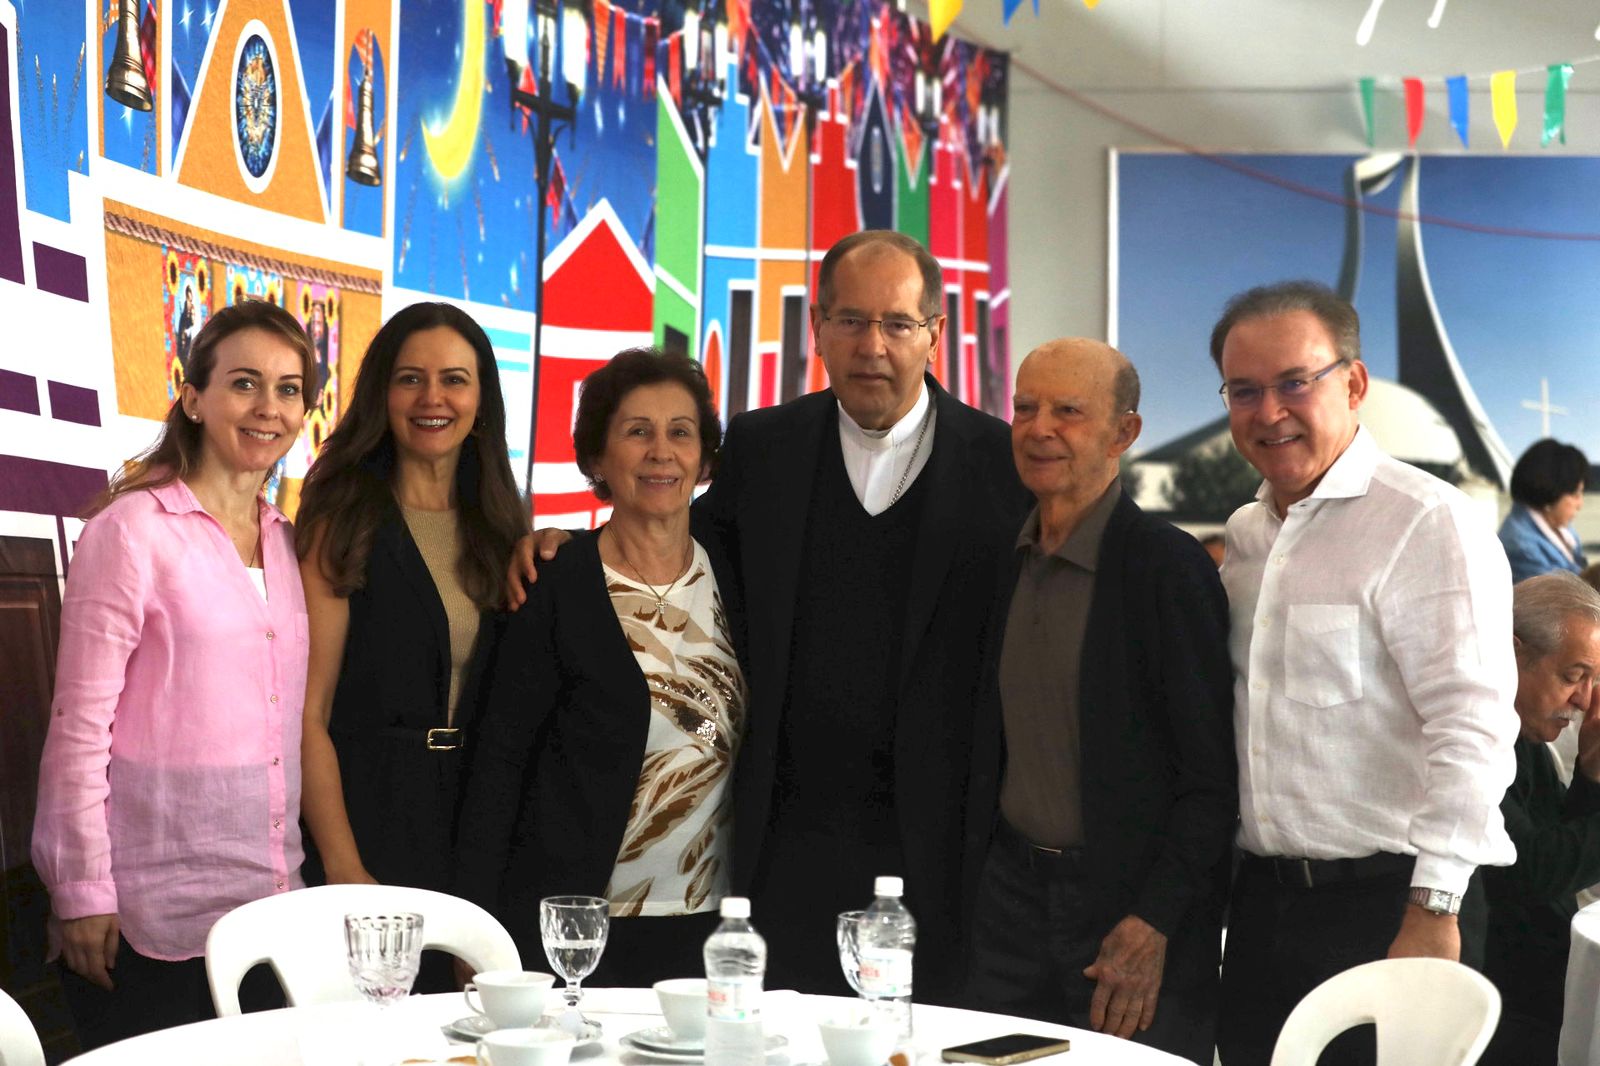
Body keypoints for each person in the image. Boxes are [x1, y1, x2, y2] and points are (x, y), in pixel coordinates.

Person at [509, 230, 1031, 999]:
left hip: (942, 860)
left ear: (933, 335)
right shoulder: (762, 450)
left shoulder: (1002, 467)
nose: (872, 346)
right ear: (818, 328)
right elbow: (664, 540)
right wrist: (563, 545)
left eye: (896, 324)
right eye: (851, 321)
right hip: (775, 855)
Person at [1209, 281, 1518, 1066]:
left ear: (1353, 383)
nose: (1268, 410)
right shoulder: (1246, 536)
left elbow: (1474, 728)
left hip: (1393, 905)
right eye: (1244, 390)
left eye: (1293, 383)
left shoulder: (1427, 521)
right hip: (1264, 908)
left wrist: (1434, 904)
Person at [32, 299, 316, 1048]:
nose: (269, 408)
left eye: (289, 390)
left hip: (272, 904)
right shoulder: (129, 532)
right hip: (152, 913)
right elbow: (78, 727)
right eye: (245, 383)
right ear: (193, 397)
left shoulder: (288, 545)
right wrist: (81, 890)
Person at [966, 340, 1235, 1065]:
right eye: (1025, 408)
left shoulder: (1166, 569)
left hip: (1125, 916)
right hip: (1008, 909)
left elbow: (1211, 778)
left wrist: (1154, 922)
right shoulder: (1001, 559)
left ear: (1124, 433)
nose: (1038, 428)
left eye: (1068, 411)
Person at [457, 349, 748, 984]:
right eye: (636, 431)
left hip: (713, 929)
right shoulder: (552, 581)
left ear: (704, 457)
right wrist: (474, 937)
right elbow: (497, 764)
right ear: (596, 457)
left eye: (680, 432)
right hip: (576, 931)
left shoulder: (740, 576)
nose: (661, 451)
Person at [295, 302, 525, 990]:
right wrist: (343, 868)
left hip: (476, 823)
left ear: (481, 399)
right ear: (381, 396)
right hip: (370, 814)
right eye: (410, 380)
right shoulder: (342, 516)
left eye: (454, 379)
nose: (433, 399)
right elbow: (308, 715)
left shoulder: (504, 524)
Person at [1481, 571, 1600, 1066]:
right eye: (1574, 677)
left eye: (1595, 680)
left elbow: (1554, 841)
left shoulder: (1523, 726)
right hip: (1501, 995)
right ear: (1514, 654)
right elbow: (1530, 870)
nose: (1585, 700)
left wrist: (1590, 776)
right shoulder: (1479, 732)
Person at [1500, 438, 1589, 585]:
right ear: (1551, 492)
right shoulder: (1520, 546)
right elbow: (1560, 598)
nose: (1580, 504)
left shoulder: (1561, 527)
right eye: (1575, 495)